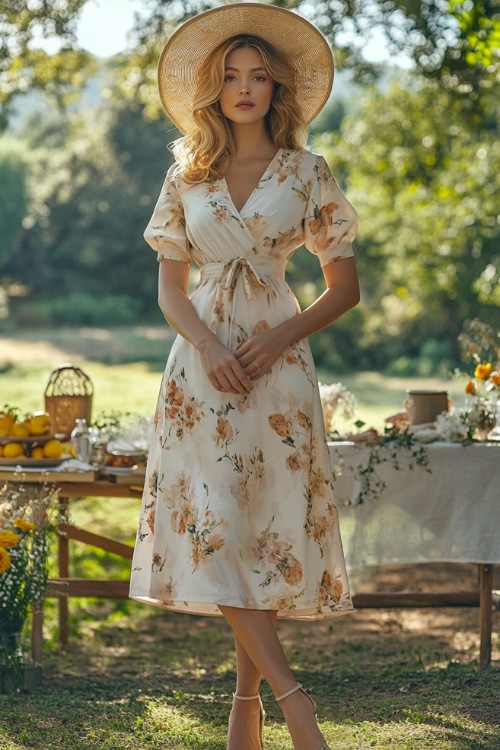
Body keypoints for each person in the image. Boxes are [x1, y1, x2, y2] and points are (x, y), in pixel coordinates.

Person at [130, 4, 360, 749]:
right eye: (231, 75)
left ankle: (244, 710)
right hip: (201, 373)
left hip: (279, 367)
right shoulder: (186, 174)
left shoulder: (307, 172)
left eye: (258, 75)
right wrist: (209, 347)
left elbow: (343, 287)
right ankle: (293, 703)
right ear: (212, 89)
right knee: (218, 520)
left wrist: (280, 336)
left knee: (258, 526)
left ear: (276, 89)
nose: (244, 88)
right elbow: (169, 288)